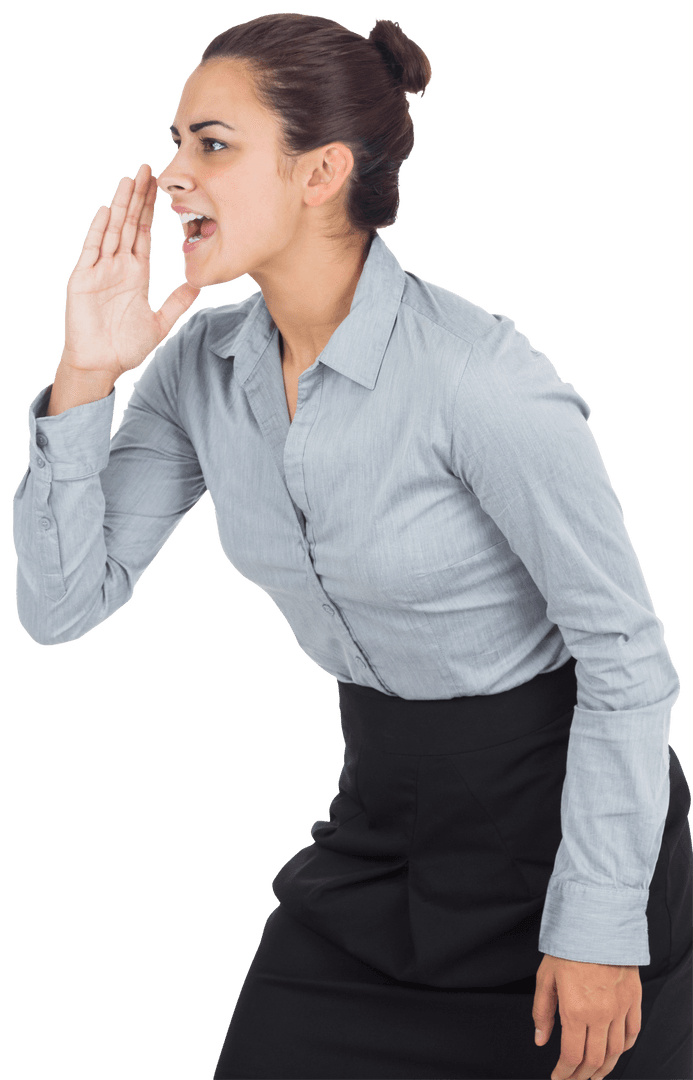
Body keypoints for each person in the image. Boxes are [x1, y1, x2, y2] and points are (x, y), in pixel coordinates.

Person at [12, 13, 692, 1080]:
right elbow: (61, 607)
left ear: (321, 171)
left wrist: (600, 925)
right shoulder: (198, 370)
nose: (174, 175)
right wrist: (89, 373)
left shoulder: (479, 380)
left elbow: (627, 659)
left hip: (567, 829)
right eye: (179, 141)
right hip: (379, 834)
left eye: (213, 143)